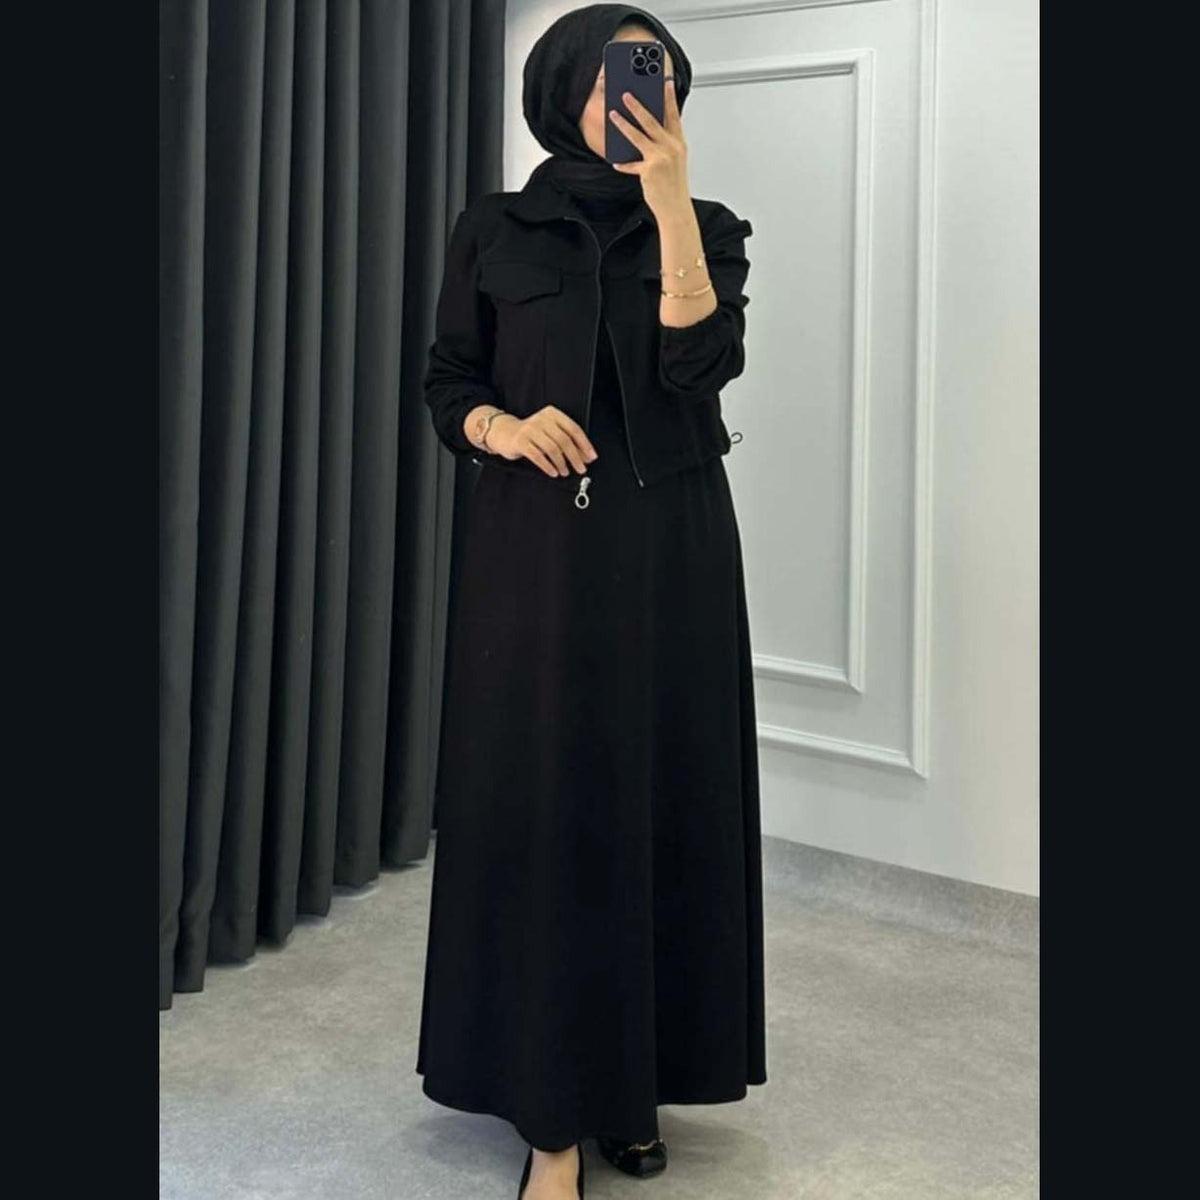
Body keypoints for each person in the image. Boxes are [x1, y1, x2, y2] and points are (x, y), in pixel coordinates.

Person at [416, 6, 767, 1197]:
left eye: (655, 75)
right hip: (532, 554)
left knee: (663, 798)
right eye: (618, 74)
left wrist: (671, 208)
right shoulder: (493, 226)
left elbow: (701, 370)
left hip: (672, 550)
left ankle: (637, 1081)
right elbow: (447, 377)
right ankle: (553, 1119)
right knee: (544, 808)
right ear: (565, 86)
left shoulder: (708, 227)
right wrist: (501, 427)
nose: (637, 95)